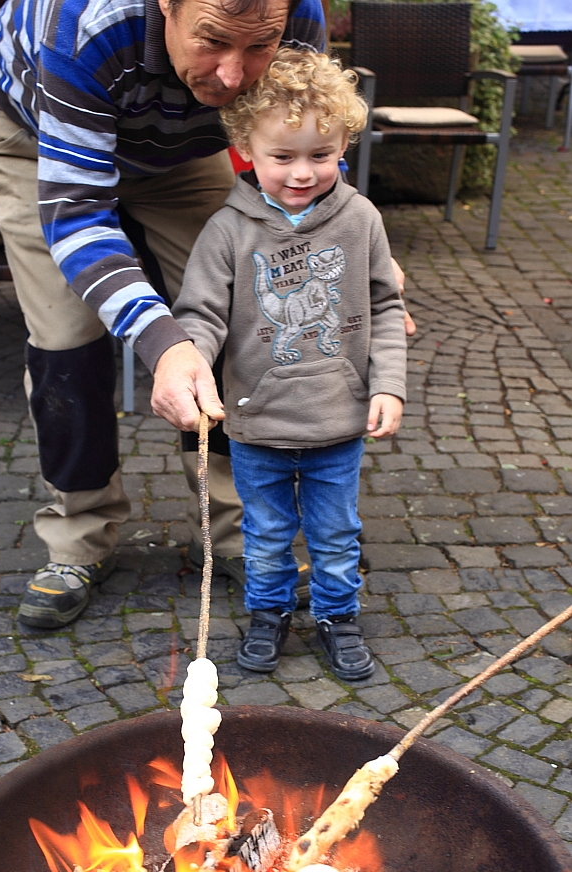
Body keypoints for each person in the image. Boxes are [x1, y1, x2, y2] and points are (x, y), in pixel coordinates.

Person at [0, 0, 326, 628]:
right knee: (66, 340)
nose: (231, 74)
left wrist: (341, 238)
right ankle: (77, 540)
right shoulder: (87, 27)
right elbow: (78, 214)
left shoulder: (297, 12)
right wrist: (164, 342)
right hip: (40, 143)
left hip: (183, 151)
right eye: (213, 41)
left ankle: (236, 532)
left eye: (258, 46)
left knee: (239, 321)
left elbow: (304, 136)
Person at [172, 48, 407, 680]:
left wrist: (388, 384)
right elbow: (199, 314)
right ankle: (268, 613)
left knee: (336, 538)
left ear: (344, 146)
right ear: (246, 147)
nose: (303, 172)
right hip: (256, 425)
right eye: (283, 156)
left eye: (321, 155)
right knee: (265, 538)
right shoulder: (226, 230)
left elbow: (387, 305)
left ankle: (337, 615)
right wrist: (188, 360)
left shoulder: (361, 220)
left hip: (338, 423)